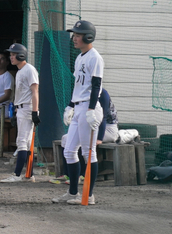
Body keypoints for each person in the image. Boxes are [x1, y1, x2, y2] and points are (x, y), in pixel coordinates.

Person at [52, 20, 104, 205]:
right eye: (74, 34)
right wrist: (70, 105)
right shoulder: (80, 57)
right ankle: (73, 193)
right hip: (79, 107)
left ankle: (88, 196)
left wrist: (90, 109)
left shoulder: (94, 57)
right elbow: (78, 85)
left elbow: (96, 85)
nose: (74, 38)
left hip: (90, 109)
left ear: (88, 37)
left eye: (78, 34)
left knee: (89, 153)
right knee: (69, 151)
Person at [51, 88, 118, 185]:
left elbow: (103, 117)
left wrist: (99, 138)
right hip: (90, 125)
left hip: (108, 128)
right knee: (66, 138)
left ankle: (82, 174)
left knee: (84, 141)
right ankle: (68, 174)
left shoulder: (102, 94)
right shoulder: (82, 93)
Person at [0, 43, 40, 183]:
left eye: (13, 54)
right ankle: (29, 175)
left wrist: (35, 112)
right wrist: (16, 112)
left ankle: (17, 175)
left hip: (28, 108)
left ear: (21, 55)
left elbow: (35, 91)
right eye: (10, 54)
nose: (11, 57)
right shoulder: (19, 71)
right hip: (22, 108)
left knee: (22, 142)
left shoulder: (29, 70)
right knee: (26, 143)